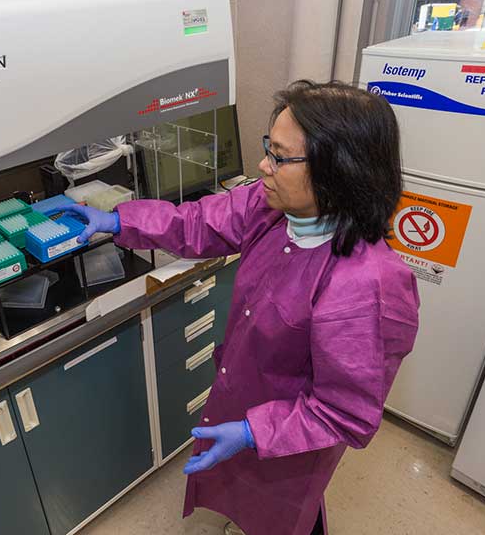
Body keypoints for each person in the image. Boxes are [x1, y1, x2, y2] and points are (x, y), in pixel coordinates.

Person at [59, 80, 419, 535]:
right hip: (246, 396)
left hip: (293, 435)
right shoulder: (273, 206)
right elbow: (199, 221)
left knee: (284, 512)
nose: (263, 166)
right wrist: (119, 220)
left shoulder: (368, 286)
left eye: (281, 157)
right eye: (269, 148)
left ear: (338, 170)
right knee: (247, 498)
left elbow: (344, 412)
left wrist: (254, 432)